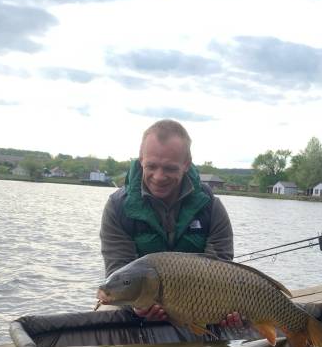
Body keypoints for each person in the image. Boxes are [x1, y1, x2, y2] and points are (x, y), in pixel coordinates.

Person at [100, 119, 240, 326]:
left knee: (232, 318)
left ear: (186, 164)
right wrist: (138, 308)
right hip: (136, 312)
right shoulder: (118, 207)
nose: (159, 176)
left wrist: (225, 312)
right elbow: (118, 271)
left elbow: (221, 268)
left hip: (197, 308)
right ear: (140, 159)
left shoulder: (211, 207)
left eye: (170, 168)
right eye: (152, 166)